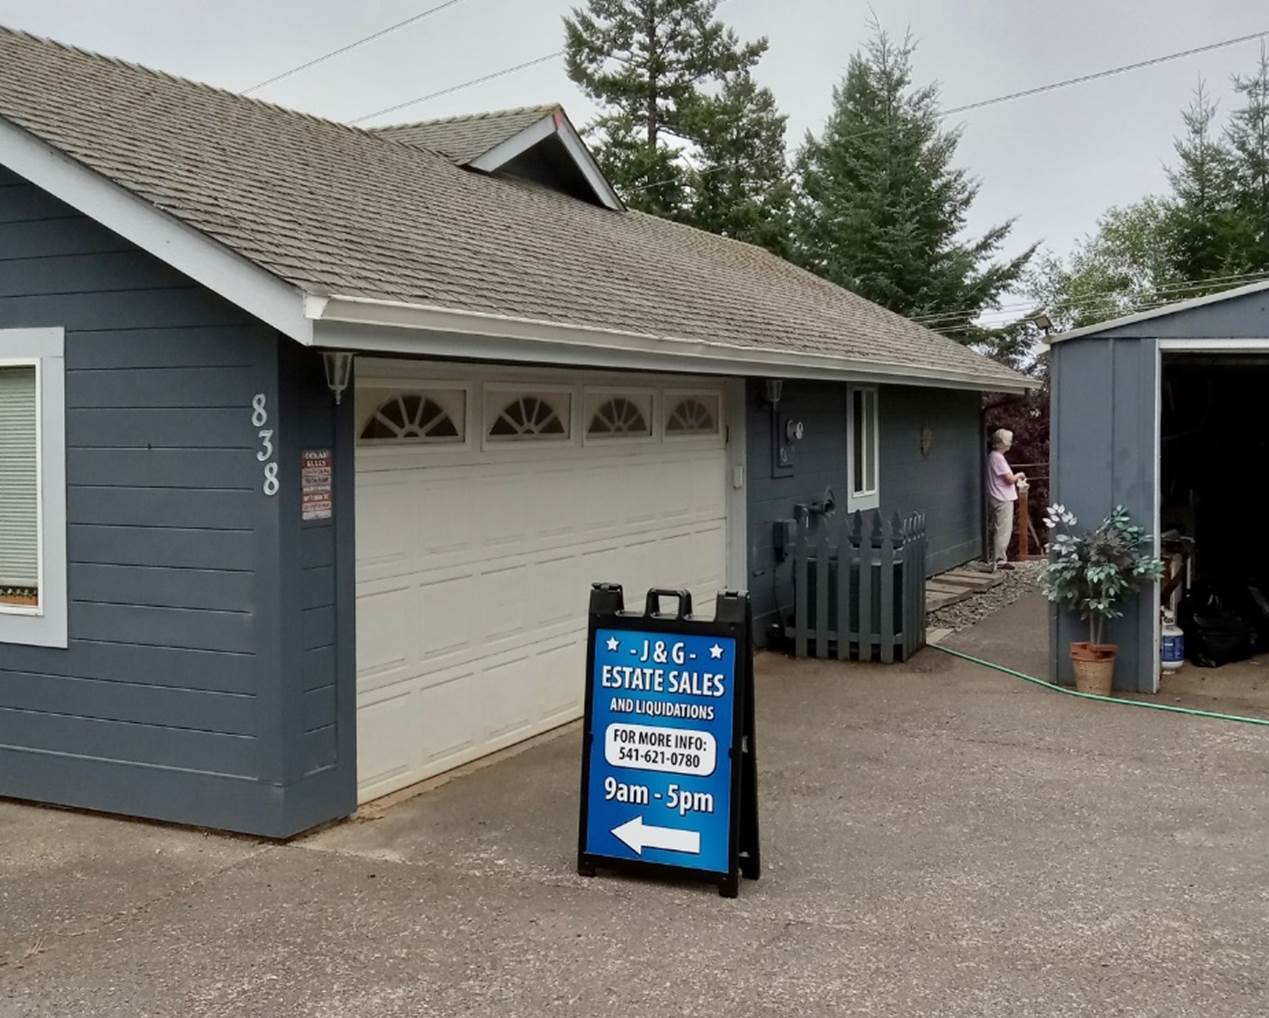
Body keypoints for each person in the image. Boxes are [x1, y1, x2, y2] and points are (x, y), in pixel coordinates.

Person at [986, 429, 1025, 570]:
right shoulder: (997, 458)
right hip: (1002, 497)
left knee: (999, 528)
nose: (1010, 443)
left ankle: (996, 557)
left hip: (997, 496)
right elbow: (1009, 480)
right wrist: (1019, 475)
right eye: (1008, 440)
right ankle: (1000, 559)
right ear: (1001, 443)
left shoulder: (993, 456)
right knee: (1003, 529)